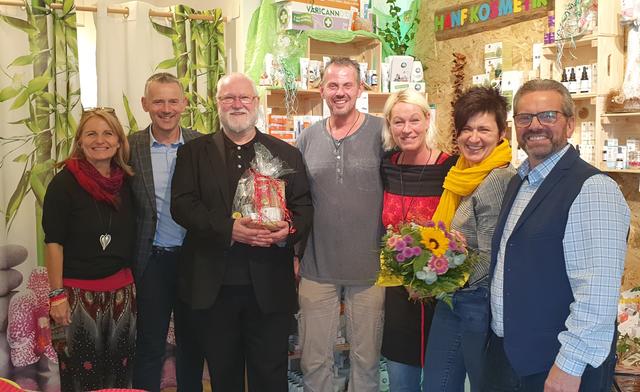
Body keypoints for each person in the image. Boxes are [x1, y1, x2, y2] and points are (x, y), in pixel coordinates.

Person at [484, 79, 630, 391]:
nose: (535, 125)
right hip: (511, 357)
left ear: (570, 124)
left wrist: (569, 366)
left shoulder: (592, 189)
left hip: (557, 367)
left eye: (548, 116)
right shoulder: (519, 182)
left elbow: (597, 294)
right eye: (525, 118)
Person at [170, 72, 313, 391]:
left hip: (270, 289)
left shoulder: (285, 154)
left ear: (256, 103)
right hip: (214, 289)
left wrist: (287, 231)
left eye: (244, 97)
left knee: (271, 375)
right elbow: (182, 206)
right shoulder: (193, 153)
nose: (237, 104)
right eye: (228, 98)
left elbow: (304, 208)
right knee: (224, 376)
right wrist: (229, 229)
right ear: (217, 105)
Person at [297, 57, 385, 392]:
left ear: (361, 88)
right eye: (333, 85)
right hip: (316, 267)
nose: (340, 92)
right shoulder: (307, 139)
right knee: (314, 358)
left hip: (371, 269)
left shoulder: (382, 132)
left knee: (366, 359)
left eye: (347, 84)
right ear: (321, 89)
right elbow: (298, 201)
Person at [423, 87, 515, 391]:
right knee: (439, 383)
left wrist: (440, 272)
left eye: (484, 129)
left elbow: (492, 257)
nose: (473, 138)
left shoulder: (498, 179)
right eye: (466, 129)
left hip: (478, 304)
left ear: (501, 132)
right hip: (453, 299)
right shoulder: (461, 173)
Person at [43, 108, 136, 391]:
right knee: (80, 377)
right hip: (75, 297)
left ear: (119, 142)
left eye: (108, 133)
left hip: (122, 297)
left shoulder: (127, 182)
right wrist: (56, 296)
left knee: (120, 376)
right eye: (91, 133)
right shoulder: (63, 184)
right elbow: (53, 242)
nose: (100, 140)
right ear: (80, 141)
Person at [377, 89, 457, 392]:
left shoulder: (450, 167)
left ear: (427, 120)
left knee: (442, 381)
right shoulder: (387, 165)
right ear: (389, 124)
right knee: (400, 381)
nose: (406, 129)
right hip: (398, 292)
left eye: (414, 120)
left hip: (441, 292)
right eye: (398, 122)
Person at [129, 72, 204, 392]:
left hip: (194, 260)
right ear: (145, 104)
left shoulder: (203, 144)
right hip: (151, 262)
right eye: (158, 101)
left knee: (192, 344)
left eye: (173, 100)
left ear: (184, 104)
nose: (166, 108)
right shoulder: (130, 146)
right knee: (149, 344)